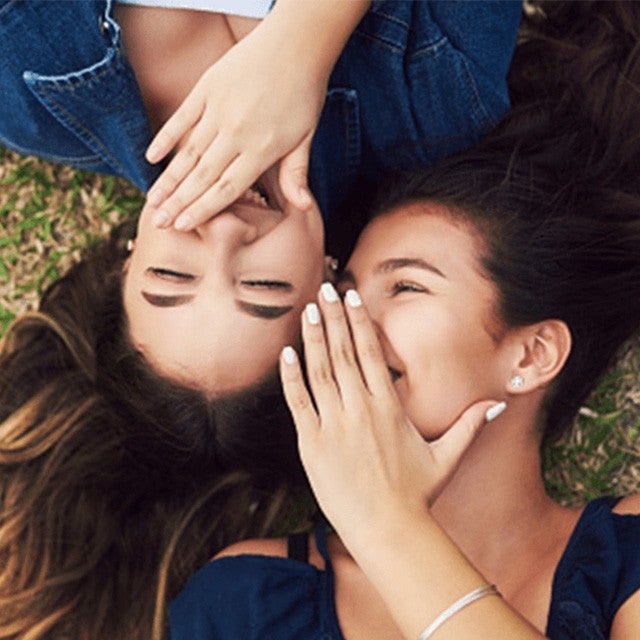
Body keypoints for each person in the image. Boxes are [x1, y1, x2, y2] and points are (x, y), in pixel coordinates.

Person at [167, 2, 640, 638]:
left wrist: (386, 522)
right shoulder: (245, 599)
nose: (351, 320)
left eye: (408, 286)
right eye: (343, 291)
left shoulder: (627, 559)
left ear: (531, 355)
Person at [0, 0, 521, 394]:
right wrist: (304, 40)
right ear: (326, 282)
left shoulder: (19, 89)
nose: (225, 232)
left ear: (128, 265)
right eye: (264, 286)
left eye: (172, 275)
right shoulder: (439, 98)